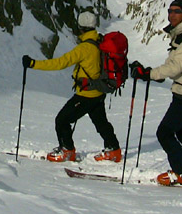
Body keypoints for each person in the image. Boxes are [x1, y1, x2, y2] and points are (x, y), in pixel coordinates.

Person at [22, 11, 121, 163]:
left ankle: (67, 151)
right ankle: (113, 150)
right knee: (101, 123)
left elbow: (60, 63)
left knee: (62, 120)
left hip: (86, 95)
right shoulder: (99, 41)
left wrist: (33, 64)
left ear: (80, 27)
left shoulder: (84, 48)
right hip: (98, 92)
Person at [131, 0, 182, 185]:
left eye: (176, 11)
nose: (171, 15)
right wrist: (154, 73)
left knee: (164, 132)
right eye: (170, 10)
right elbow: (176, 65)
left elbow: (175, 67)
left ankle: (181, 172)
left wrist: (149, 74)